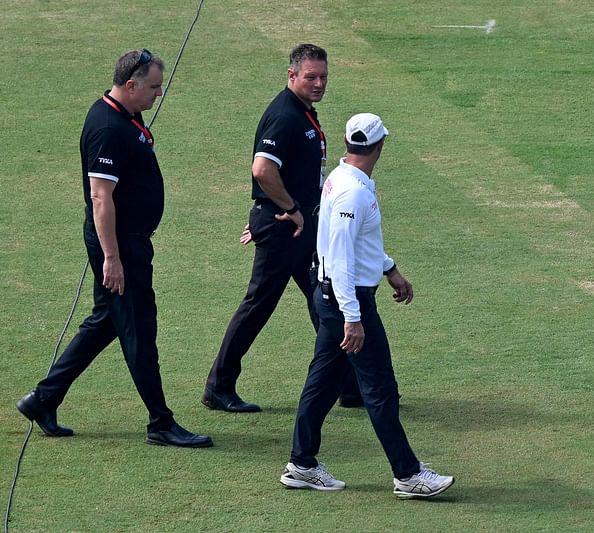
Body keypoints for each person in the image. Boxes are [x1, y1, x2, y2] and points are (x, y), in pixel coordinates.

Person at [15, 49, 213, 448]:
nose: (159, 93)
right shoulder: (108, 126)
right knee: (139, 328)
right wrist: (112, 258)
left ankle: (43, 399)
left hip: (128, 241)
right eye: (154, 87)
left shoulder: (127, 114)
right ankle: (161, 422)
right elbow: (101, 198)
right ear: (130, 85)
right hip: (119, 244)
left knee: (106, 320)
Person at [279, 113, 454, 499]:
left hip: (334, 296)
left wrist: (389, 268)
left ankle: (301, 464)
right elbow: (341, 258)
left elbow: (359, 244)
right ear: (380, 146)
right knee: (379, 388)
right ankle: (408, 475)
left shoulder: (341, 178)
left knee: (322, 383)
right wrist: (353, 318)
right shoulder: (353, 192)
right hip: (347, 301)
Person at [202, 43, 361, 413]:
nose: (319, 83)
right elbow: (262, 170)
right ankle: (218, 385)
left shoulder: (302, 112)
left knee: (326, 301)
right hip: (285, 225)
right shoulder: (285, 116)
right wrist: (285, 208)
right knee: (262, 305)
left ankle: (351, 385)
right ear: (292, 76)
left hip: (297, 225)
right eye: (311, 77)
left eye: (323, 76)